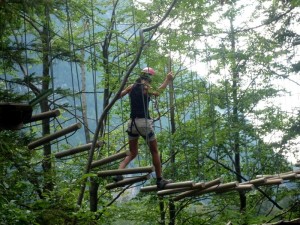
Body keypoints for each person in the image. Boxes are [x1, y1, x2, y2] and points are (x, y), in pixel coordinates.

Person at [114, 67, 174, 189]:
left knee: (132, 152)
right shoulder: (146, 88)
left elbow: (119, 95)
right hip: (143, 123)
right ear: (150, 78)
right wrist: (167, 80)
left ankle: (118, 172)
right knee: (154, 151)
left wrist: (123, 85)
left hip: (132, 124)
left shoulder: (131, 86)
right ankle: (159, 179)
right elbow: (158, 92)